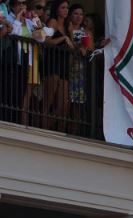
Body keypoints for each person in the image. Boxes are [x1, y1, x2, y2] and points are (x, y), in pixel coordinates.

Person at [43, 0, 73, 131]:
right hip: (53, 63)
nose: (66, 10)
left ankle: (47, 126)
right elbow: (46, 41)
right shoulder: (53, 22)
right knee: (48, 100)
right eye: (63, 7)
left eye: (67, 8)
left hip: (64, 65)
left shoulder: (68, 26)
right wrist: (63, 38)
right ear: (57, 9)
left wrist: (71, 35)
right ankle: (42, 128)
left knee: (64, 104)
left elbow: (72, 47)